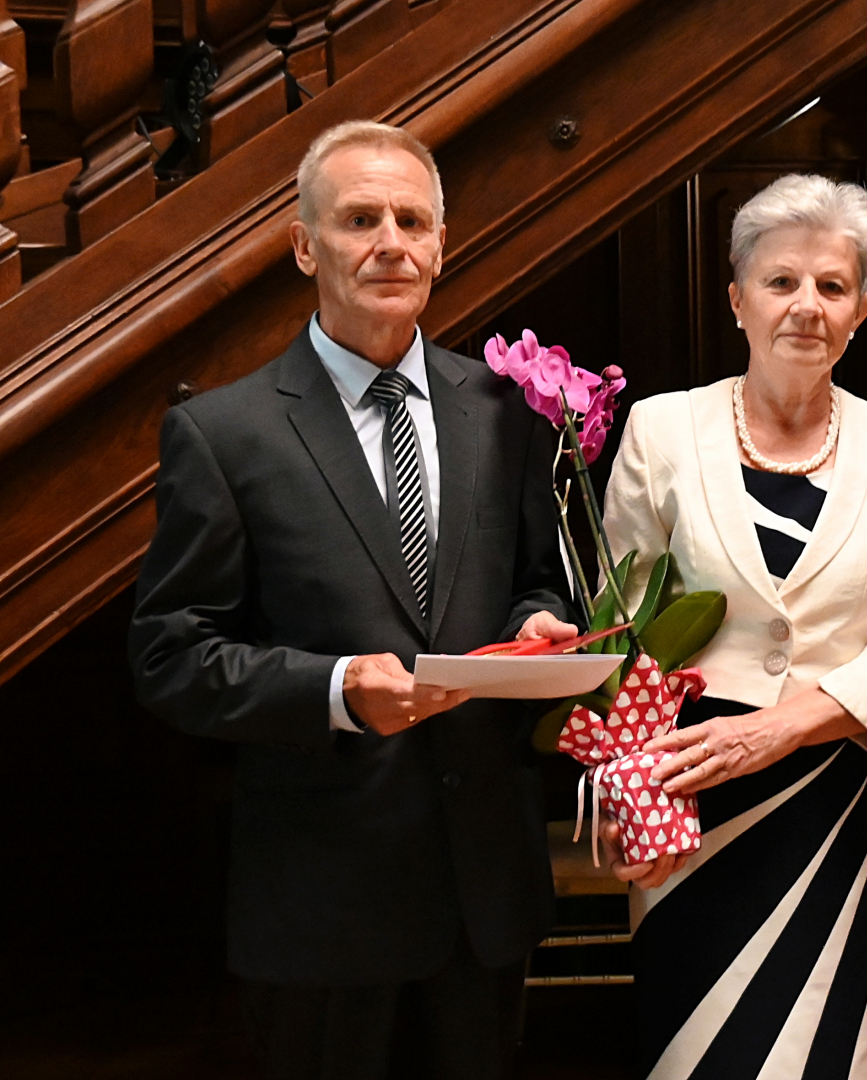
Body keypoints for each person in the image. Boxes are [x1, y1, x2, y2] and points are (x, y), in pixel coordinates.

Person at [127, 121, 579, 1080]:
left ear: (441, 246)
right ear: (305, 246)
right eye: (360, 219)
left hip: (482, 895)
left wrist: (533, 628)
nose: (391, 244)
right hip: (323, 907)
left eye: (412, 221)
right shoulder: (224, 433)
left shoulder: (506, 410)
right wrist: (335, 690)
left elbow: (536, 580)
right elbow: (171, 655)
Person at [597, 173, 867, 1080]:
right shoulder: (659, 431)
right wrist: (626, 799)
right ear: (738, 299)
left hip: (836, 792)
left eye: (832, 286)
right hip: (689, 792)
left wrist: (781, 729)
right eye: (781, 281)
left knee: (825, 1049)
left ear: (861, 310)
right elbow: (619, 631)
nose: (806, 306)